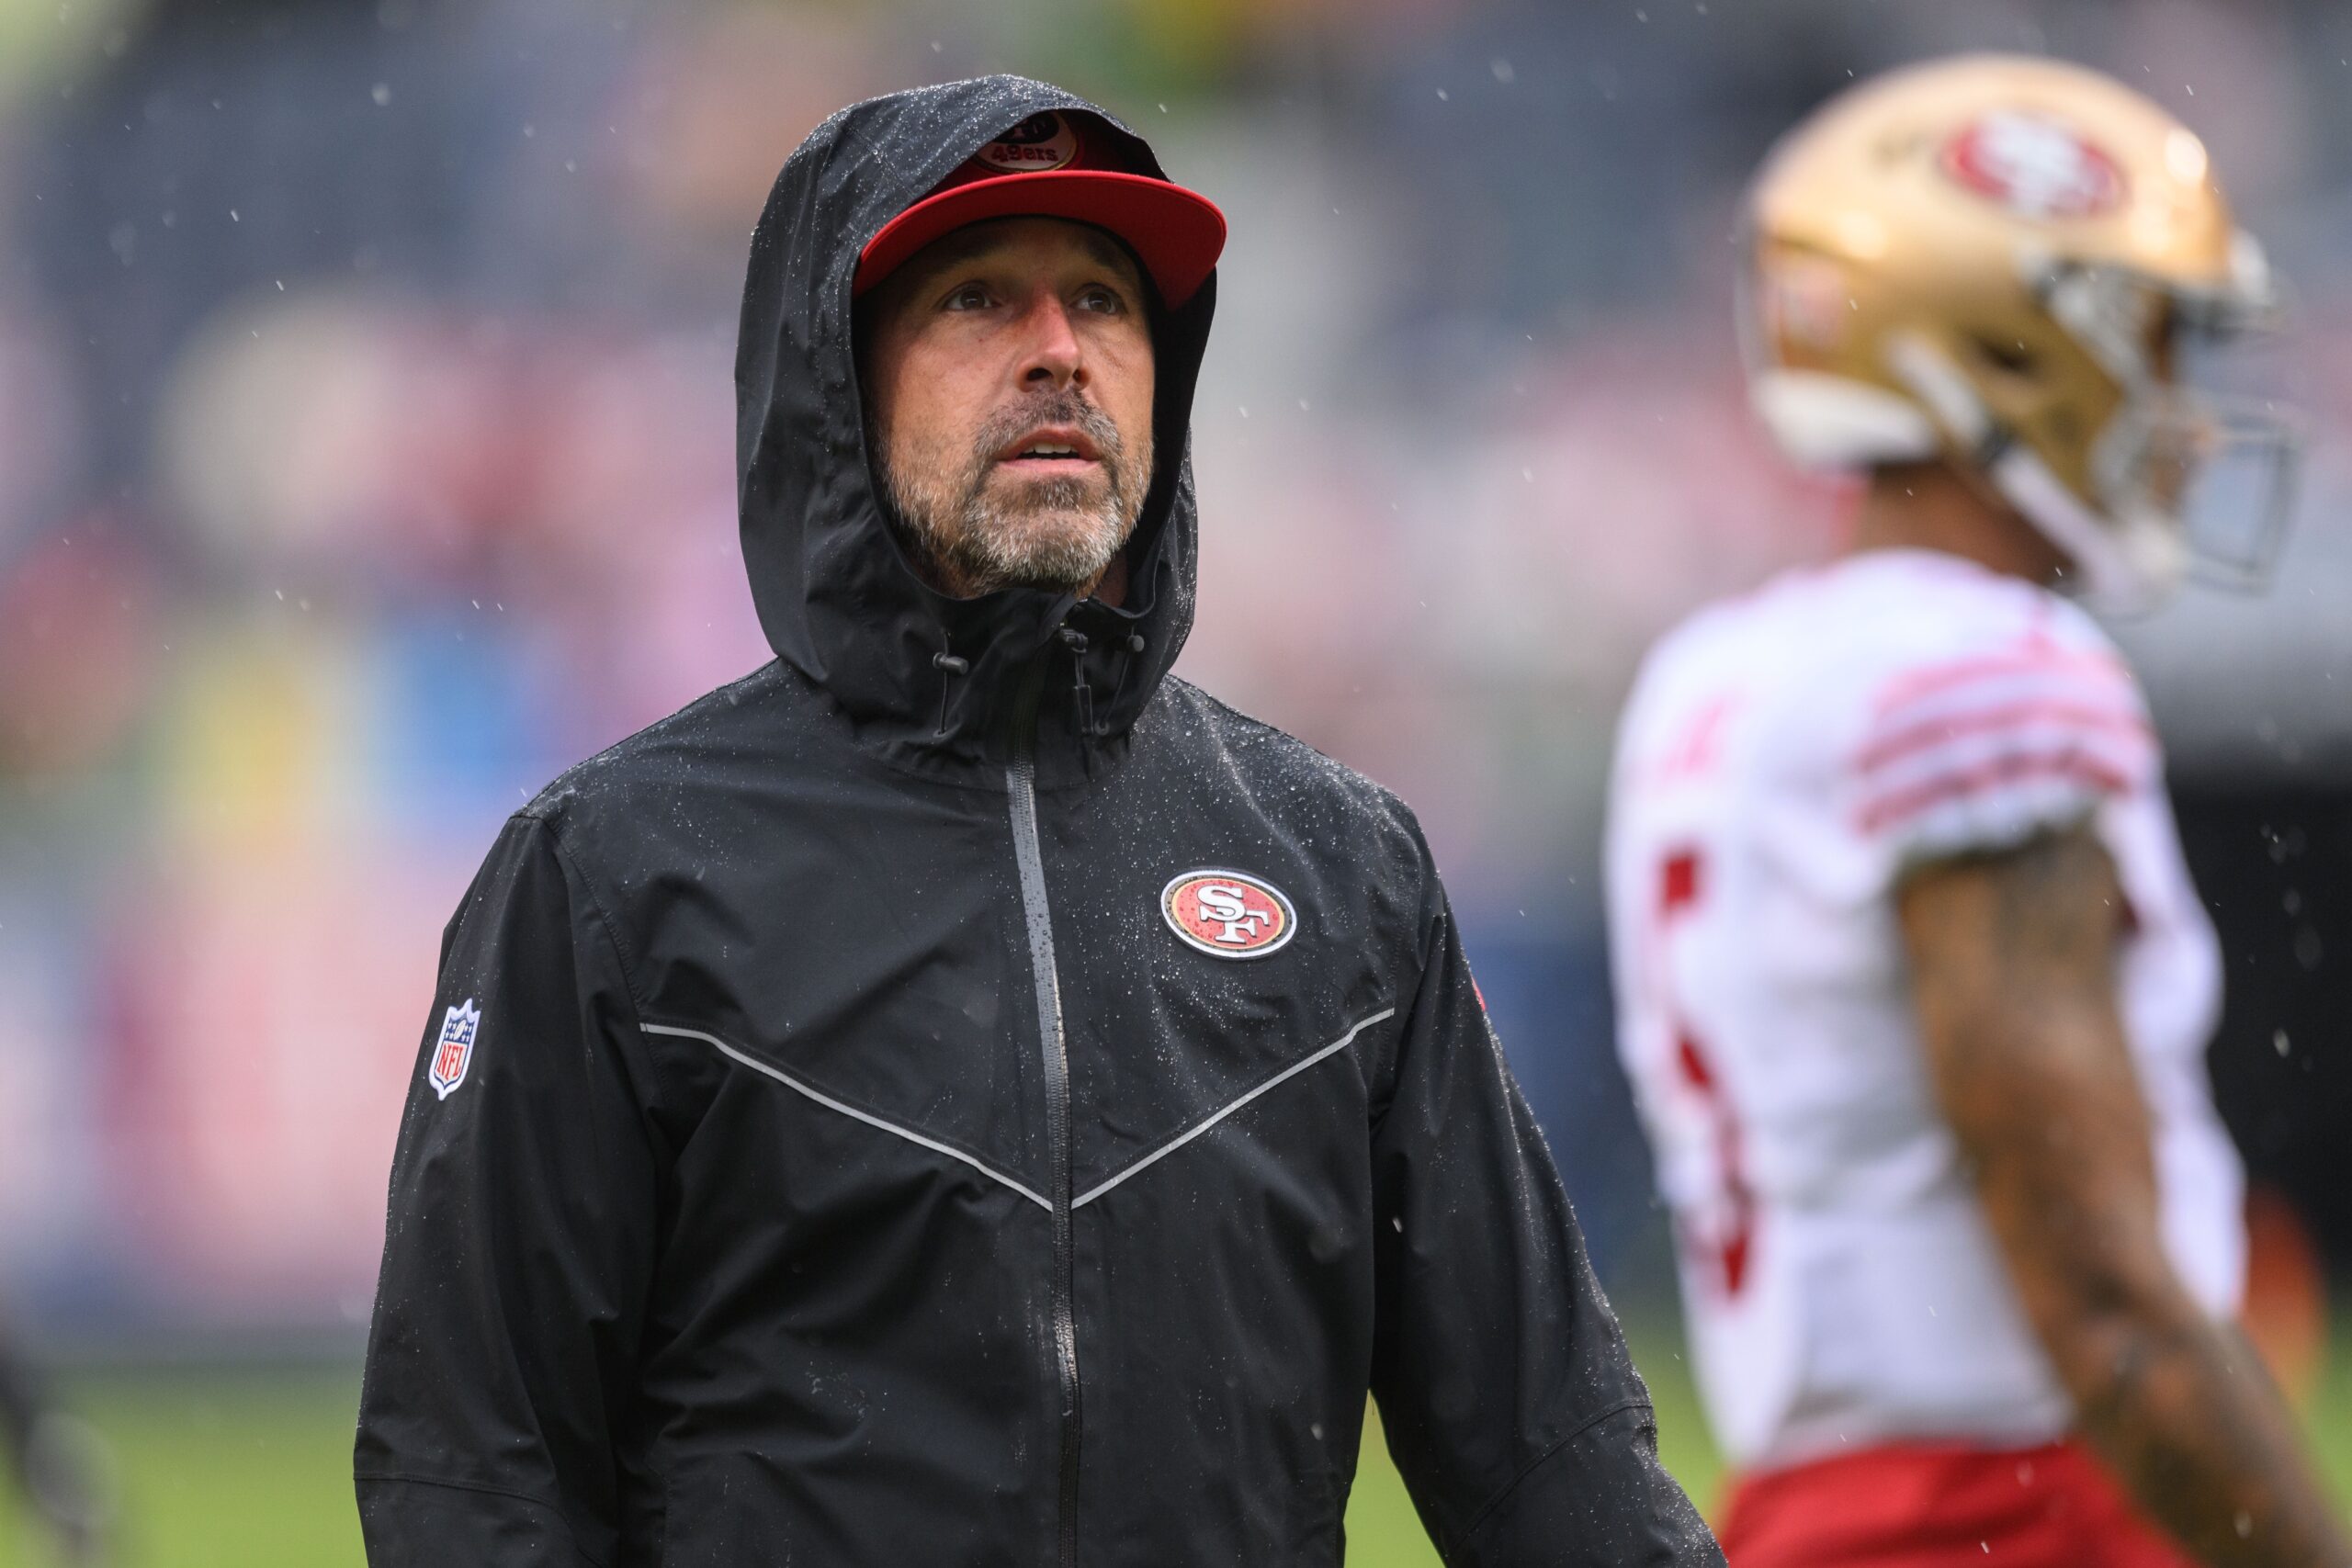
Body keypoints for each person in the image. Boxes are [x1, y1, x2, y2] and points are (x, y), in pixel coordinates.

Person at [356, 76, 1718, 1566]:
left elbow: (1547, 1456)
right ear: (837, 379)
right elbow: (471, 1481)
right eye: (977, 299)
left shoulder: (1340, 867)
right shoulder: (609, 873)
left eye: (1103, 302)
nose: (1059, 353)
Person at [1604, 54, 2352, 1568]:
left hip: (1803, 1508)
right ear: (2002, 347)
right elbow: (2108, 1310)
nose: (2189, 422)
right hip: (2029, 1511)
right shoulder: (1983, 668)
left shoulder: (1710, 678)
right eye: (2147, 345)